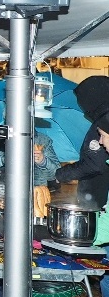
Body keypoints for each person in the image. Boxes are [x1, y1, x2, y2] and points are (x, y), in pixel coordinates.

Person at [49, 77, 109, 212]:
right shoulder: (102, 118)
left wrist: (58, 175)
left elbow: (93, 164)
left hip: (97, 198)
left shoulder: (104, 122)